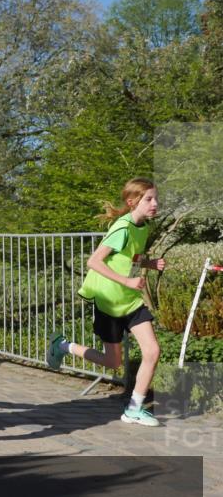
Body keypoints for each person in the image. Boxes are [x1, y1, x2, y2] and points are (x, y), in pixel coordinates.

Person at [47, 178, 165, 426]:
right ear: (132, 202)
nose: (155, 203)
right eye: (149, 199)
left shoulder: (142, 227)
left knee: (153, 351)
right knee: (114, 362)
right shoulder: (122, 228)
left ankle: (134, 409)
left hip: (130, 301)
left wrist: (148, 264)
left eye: (156, 198)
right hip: (109, 301)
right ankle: (63, 347)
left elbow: (129, 258)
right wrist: (126, 280)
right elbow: (94, 261)